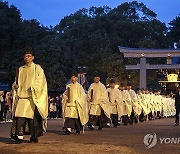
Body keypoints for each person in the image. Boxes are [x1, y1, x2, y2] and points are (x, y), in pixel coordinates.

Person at [11, 47, 48, 143]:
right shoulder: (21, 69)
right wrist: (15, 86)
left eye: (29, 56)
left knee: (33, 119)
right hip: (22, 97)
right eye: (25, 56)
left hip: (32, 98)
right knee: (19, 117)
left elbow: (41, 82)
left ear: (33, 57)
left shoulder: (37, 68)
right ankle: (19, 136)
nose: (27, 58)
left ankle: (34, 136)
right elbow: (16, 82)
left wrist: (34, 87)